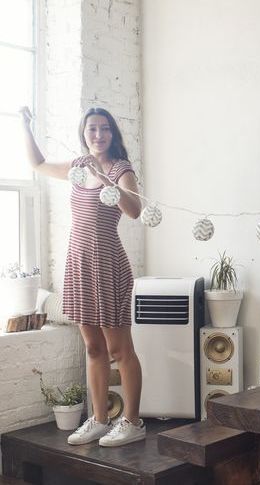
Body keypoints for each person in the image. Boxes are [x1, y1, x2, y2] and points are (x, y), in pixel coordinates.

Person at [20, 106, 146, 447]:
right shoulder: (77, 168)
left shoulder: (121, 170)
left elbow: (134, 211)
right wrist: (26, 126)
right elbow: (38, 164)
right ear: (84, 133)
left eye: (105, 129)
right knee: (93, 348)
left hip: (109, 266)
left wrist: (103, 177)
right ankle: (100, 418)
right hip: (78, 264)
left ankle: (132, 422)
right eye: (92, 129)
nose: (98, 135)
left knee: (120, 350)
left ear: (112, 135)